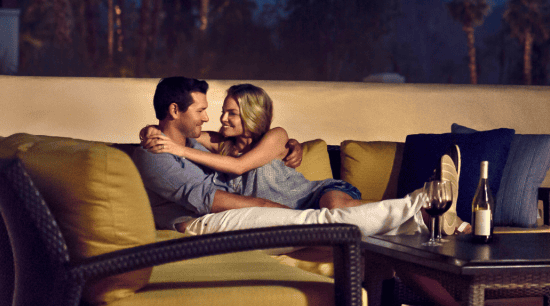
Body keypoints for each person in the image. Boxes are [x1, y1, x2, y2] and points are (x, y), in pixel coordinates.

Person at [132, 77, 428, 237]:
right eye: (216, 111)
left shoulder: (276, 137)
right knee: (341, 221)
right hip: (279, 214)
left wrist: (176, 148)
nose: (216, 118)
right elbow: (173, 131)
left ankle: (420, 205)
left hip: (310, 198)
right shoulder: (216, 143)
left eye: (230, 113)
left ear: (250, 115)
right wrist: (151, 130)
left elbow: (237, 166)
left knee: (337, 211)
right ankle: (423, 214)